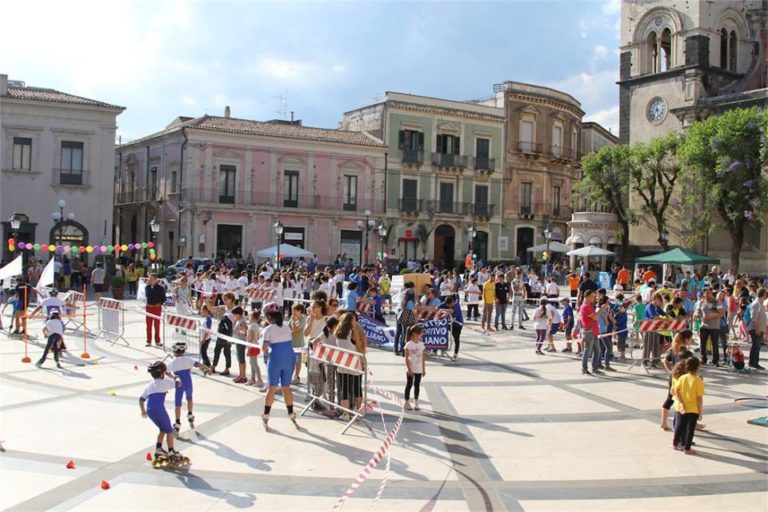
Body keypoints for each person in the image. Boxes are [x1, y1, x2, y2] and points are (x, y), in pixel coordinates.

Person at [139, 361, 187, 467]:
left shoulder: (150, 385)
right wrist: (176, 377)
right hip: (159, 409)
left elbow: (141, 399)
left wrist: (143, 411)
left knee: (162, 429)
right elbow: (179, 384)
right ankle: (171, 451)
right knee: (169, 430)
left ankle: (158, 449)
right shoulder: (164, 382)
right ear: (162, 374)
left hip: (150, 410)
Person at [261, 302, 298, 428]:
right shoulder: (287, 326)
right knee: (286, 387)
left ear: (269, 317)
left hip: (276, 358)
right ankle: (291, 413)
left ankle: (266, 414)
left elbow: (264, 347)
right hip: (289, 357)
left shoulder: (268, 329)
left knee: (271, 387)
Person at [168, 342, 211, 436]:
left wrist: (174, 377)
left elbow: (167, 372)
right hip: (188, 383)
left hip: (179, 384)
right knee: (189, 398)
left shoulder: (172, 362)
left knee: (177, 404)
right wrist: (208, 368)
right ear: (184, 351)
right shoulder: (188, 359)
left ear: (174, 352)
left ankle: (177, 423)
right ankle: (190, 414)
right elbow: (198, 364)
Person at [660, 330, 693, 431]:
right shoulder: (687, 353)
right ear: (686, 339)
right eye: (691, 339)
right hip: (682, 380)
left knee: (670, 399)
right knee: (685, 402)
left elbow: (665, 360)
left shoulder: (674, 349)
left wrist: (670, 370)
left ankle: (663, 423)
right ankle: (688, 424)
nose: (691, 341)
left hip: (673, 378)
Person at [671, 357, 704, 455]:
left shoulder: (682, 377)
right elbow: (699, 398)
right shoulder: (698, 381)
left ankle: (675, 443)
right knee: (690, 430)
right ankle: (687, 448)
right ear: (697, 367)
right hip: (693, 409)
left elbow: (676, 391)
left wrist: (681, 403)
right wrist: (700, 411)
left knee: (679, 426)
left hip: (682, 408)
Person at [695, 287, 723, 366]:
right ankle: (703, 359)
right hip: (704, 326)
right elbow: (698, 312)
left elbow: (721, 313)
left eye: (709, 293)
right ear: (703, 294)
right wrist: (698, 315)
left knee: (715, 344)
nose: (708, 294)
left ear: (712, 293)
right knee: (702, 343)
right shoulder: (701, 302)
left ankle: (715, 360)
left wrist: (713, 315)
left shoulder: (717, 302)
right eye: (706, 293)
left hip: (714, 327)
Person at [580, 290, 605, 375]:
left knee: (597, 351)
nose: (594, 298)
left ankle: (595, 368)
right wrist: (601, 310)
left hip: (594, 331)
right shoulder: (585, 306)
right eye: (592, 296)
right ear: (587, 297)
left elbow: (594, 316)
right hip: (589, 331)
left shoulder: (590, 306)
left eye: (594, 297)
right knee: (588, 351)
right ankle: (584, 369)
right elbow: (594, 317)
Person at [403, 325, 426, 411]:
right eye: (420, 334)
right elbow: (406, 358)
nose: (421, 335)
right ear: (415, 334)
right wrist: (408, 369)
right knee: (409, 385)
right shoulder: (409, 344)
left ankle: (416, 402)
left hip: (419, 369)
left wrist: (423, 369)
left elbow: (423, 358)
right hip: (411, 368)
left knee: (417, 385)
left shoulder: (421, 345)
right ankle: (406, 401)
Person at [746, 288, 767, 370]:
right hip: (755, 329)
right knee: (756, 346)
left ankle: (754, 362)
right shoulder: (756, 304)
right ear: (763, 294)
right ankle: (753, 362)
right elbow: (754, 318)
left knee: (757, 346)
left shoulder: (760, 303)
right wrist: (757, 329)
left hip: (760, 328)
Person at [395, 283, 416, 356]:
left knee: (398, 333)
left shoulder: (403, 300)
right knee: (405, 335)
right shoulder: (410, 302)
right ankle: (403, 351)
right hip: (406, 319)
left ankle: (396, 349)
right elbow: (413, 311)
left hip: (399, 317)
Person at [145, 274, 166, 347]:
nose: (150, 280)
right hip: (149, 308)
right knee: (148, 325)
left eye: (151, 279)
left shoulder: (161, 288)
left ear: (156, 279)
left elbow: (163, 298)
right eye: (149, 279)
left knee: (157, 325)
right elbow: (147, 296)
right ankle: (148, 341)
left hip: (157, 308)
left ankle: (157, 341)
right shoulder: (147, 287)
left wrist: (159, 304)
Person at [246, 310, 265, 387]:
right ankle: (253, 379)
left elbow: (252, 338)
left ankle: (259, 380)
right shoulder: (257, 326)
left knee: (254, 363)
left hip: (252, 346)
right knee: (252, 363)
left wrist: (248, 349)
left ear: (252, 318)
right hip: (255, 345)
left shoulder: (252, 326)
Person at [289, 303, 307, 384]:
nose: (292, 311)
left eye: (294, 310)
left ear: (300, 311)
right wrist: (293, 331)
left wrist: (294, 330)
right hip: (290, 343)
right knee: (290, 361)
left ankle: (296, 376)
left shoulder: (303, 320)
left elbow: (295, 330)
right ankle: (290, 376)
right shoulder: (293, 318)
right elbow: (289, 329)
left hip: (298, 344)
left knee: (297, 361)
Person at [231, 306, 249, 384]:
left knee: (241, 359)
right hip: (238, 341)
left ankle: (243, 376)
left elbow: (244, 330)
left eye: (235, 315)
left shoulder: (242, 321)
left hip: (241, 341)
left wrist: (241, 332)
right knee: (239, 359)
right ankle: (241, 374)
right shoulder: (238, 320)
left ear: (239, 314)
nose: (234, 316)